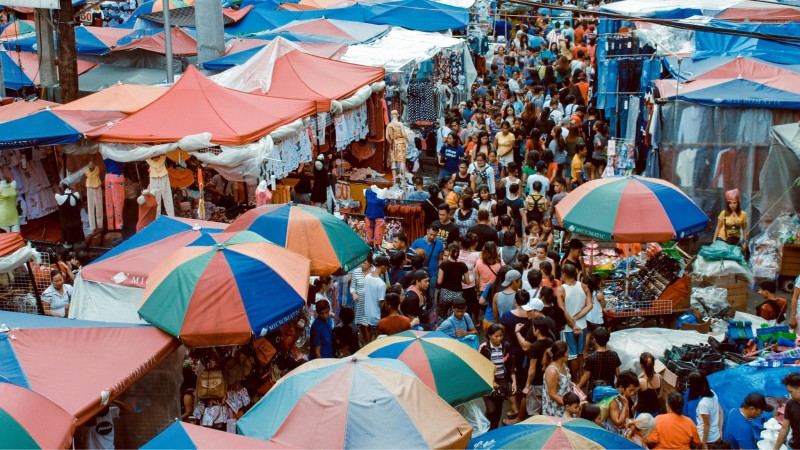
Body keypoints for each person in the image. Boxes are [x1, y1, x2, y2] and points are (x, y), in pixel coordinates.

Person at [557, 263, 592, 382]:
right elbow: (589, 306)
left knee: (572, 355)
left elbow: (562, 310)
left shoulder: (561, 289)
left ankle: (575, 381)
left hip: (568, 328)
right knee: (580, 353)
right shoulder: (583, 286)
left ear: (564, 274)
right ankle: (581, 377)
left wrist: (572, 323)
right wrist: (577, 318)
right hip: (582, 326)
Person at [479, 324, 517, 429]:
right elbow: (480, 367)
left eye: (501, 336)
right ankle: (485, 427)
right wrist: (492, 381)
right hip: (487, 381)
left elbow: (511, 365)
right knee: (491, 410)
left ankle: (494, 429)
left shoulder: (506, 346)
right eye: (496, 336)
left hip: (502, 381)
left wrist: (514, 382)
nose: (499, 338)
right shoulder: (484, 348)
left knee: (498, 409)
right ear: (489, 336)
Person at [522, 316, 554, 416]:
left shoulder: (534, 347)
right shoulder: (550, 342)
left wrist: (527, 386)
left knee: (533, 411)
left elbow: (532, 368)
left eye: (533, 328)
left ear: (537, 331)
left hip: (536, 382)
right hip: (548, 379)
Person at [577, 326, 620, 399]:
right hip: (610, 390)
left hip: (595, 391)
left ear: (595, 339)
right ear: (608, 339)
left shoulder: (591, 357)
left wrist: (578, 387)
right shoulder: (614, 355)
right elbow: (618, 374)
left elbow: (586, 376)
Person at [686, 372, 724, 448]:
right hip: (715, 436)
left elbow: (706, 424)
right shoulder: (713, 394)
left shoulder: (703, 404)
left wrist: (703, 443)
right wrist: (720, 430)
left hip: (706, 439)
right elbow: (721, 411)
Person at [411, 224, 445, 298]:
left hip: (433, 274)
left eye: (434, 235)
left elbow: (440, 259)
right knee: (419, 294)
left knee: (431, 294)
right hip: (419, 273)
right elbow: (411, 255)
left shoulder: (439, 244)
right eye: (430, 234)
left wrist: (439, 272)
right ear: (427, 231)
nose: (432, 237)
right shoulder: (417, 242)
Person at [438, 243, 470, 320]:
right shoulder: (462, 265)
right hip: (457, 295)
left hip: (445, 293)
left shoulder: (443, 264)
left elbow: (439, 281)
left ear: (449, 252)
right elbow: (467, 281)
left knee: (442, 314)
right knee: (454, 317)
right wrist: (460, 278)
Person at [604, 371, 640, 436]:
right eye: (631, 390)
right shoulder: (613, 400)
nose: (632, 393)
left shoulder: (623, 398)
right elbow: (618, 423)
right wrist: (625, 405)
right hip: (612, 435)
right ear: (621, 387)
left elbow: (624, 421)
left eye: (634, 391)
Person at [542, 340, 572, 418]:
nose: (569, 354)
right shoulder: (552, 371)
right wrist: (570, 405)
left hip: (566, 406)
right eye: (568, 352)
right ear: (562, 354)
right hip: (556, 410)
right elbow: (552, 395)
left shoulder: (563, 364)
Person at [363, 256, 389, 343]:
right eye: (387, 267)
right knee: (376, 341)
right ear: (383, 266)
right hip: (376, 316)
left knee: (369, 340)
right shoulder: (381, 284)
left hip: (367, 314)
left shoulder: (367, 277)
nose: (386, 270)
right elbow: (380, 303)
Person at [775, 373, 800, 449]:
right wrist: (775, 448)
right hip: (795, 445)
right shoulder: (790, 404)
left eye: (791, 392)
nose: (790, 395)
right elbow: (784, 428)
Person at [351, 255, 373, 343]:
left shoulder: (375, 272)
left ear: (370, 263)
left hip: (371, 303)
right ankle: (365, 341)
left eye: (364, 263)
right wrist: (353, 294)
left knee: (370, 325)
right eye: (361, 263)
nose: (361, 265)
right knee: (362, 324)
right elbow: (352, 287)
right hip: (360, 303)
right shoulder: (356, 272)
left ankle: (370, 342)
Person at [636, 352, 662, 417]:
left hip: (641, 415)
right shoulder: (659, 377)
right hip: (654, 413)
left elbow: (632, 393)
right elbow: (660, 396)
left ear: (641, 365)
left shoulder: (640, 381)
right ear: (653, 364)